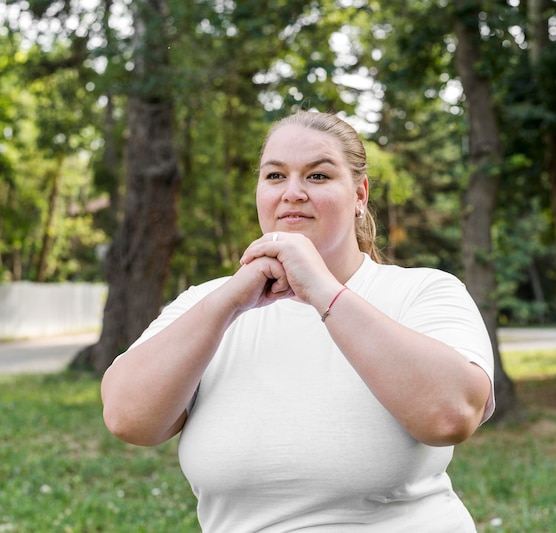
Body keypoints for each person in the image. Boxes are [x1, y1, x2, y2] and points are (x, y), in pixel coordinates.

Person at [101, 110, 495, 532]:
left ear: (359, 195)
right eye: (274, 176)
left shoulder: (422, 292)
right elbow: (128, 418)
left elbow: (451, 415)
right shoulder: (207, 305)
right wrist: (230, 301)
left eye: (318, 176)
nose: (293, 192)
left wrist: (322, 290)